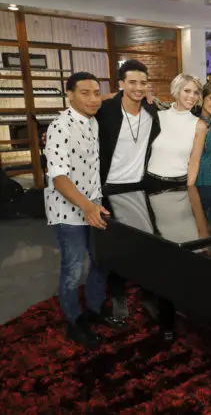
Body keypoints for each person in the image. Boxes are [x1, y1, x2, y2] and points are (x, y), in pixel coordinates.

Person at [43, 72, 112, 347]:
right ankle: (74, 321)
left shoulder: (92, 121)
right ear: (68, 94)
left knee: (101, 261)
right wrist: (87, 207)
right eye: (85, 92)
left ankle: (94, 309)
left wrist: (95, 203)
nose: (93, 98)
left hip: (93, 205)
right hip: (69, 211)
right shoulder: (60, 126)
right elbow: (58, 178)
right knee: (72, 269)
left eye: (97, 93)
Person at [97, 59, 161, 322]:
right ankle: (118, 297)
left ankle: (148, 296)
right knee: (116, 249)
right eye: (132, 82)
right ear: (120, 84)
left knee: (145, 246)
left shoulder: (151, 111)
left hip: (140, 187)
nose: (138, 87)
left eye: (142, 83)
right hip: (109, 187)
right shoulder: (106, 110)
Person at [146, 73, 202, 189]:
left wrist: (189, 190)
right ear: (177, 91)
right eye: (187, 91)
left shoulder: (199, 125)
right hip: (151, 182)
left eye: (196, 92)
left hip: (179, 184)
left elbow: (194, 163)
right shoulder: (157, 116)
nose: (192, 96)